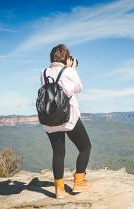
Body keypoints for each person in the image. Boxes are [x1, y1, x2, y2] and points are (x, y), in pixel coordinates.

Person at [39, 44, 92, 199]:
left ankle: (59, 190)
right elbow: (78, 88)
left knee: (58, 152)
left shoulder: (43, 72)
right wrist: (72, 69)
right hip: (69, 117)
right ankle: (78, 183)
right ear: (66, 57)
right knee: (85, 147)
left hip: (49, 118)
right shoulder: (69, 71)